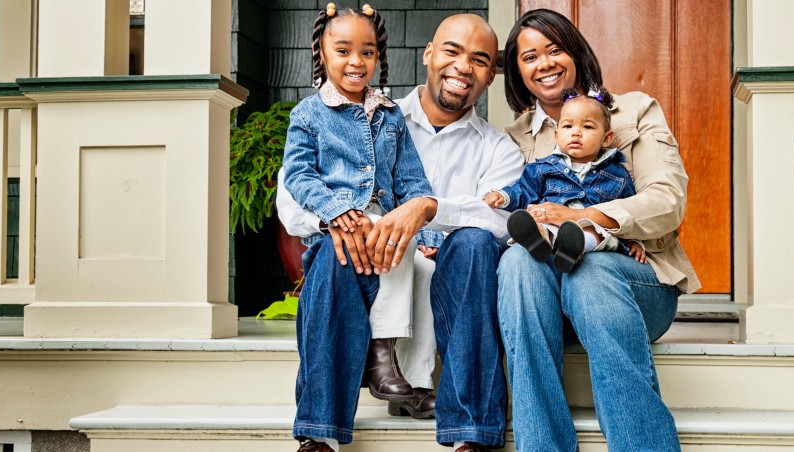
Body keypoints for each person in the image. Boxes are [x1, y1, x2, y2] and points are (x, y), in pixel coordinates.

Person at [278, 13, 523, 451]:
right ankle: (320, 432)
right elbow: (292, 199)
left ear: (491, 74)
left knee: (471, 244)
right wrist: (339, 221)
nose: (463, 67)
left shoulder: (497, 148)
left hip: (448, 275)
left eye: (480, 60)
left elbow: (501, 222)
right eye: (452, 50)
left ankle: (470, 433)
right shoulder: (345, 115)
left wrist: (427, 215)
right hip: (358, 257)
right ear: (428, 54)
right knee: (339, 251)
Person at [496, 8, 702, 452]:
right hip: (544, 302)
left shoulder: (634, 111)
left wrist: (584, 220)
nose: (544, 63)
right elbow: (503, 213)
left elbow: (667, 200)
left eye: (554, 50)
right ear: (517, 71)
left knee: (590, 272)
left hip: (633, 286)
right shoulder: (512, 138)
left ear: (575, 52)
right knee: (516, 260)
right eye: (529, 56)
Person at [282, 4, 437, 451]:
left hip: (383, 231)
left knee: (396, 240)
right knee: (334, 270)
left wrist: (424, 235)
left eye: (367, 52)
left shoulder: (390, 116)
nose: (356, 61)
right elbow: (299, 175)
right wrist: (335, 212)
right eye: (343, 50)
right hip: (337, 233)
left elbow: (413, 183)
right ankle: (339, 410)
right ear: (322, 53)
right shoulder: (309, 115)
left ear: (379, 57)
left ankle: (375, 362)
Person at [484, 87, 649, 272]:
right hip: (551, 224)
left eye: (587, 127)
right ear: (556, 135)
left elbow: (627, 211)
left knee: (593, 231)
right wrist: (503, 196)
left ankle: (573, 249)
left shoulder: (618, 175)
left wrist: (635, 241)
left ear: (606, 138)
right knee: (542, 222)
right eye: (568, 126)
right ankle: (539, 240)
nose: (576, 133)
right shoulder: (543, 168)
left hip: (593, 232)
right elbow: (523, 190)